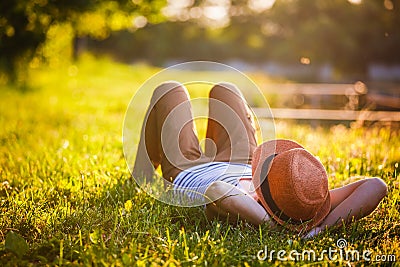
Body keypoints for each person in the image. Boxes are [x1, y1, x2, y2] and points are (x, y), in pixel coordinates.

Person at [133, 81, 388, 237]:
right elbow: (376, 185)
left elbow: (218, 189)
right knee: (226, 90)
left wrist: (272, 227)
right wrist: (318, 230)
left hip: (190, 169)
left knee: (168, 90)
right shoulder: (304, 202)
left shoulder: (245, 211)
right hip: (242, 163)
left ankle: (141, 175)